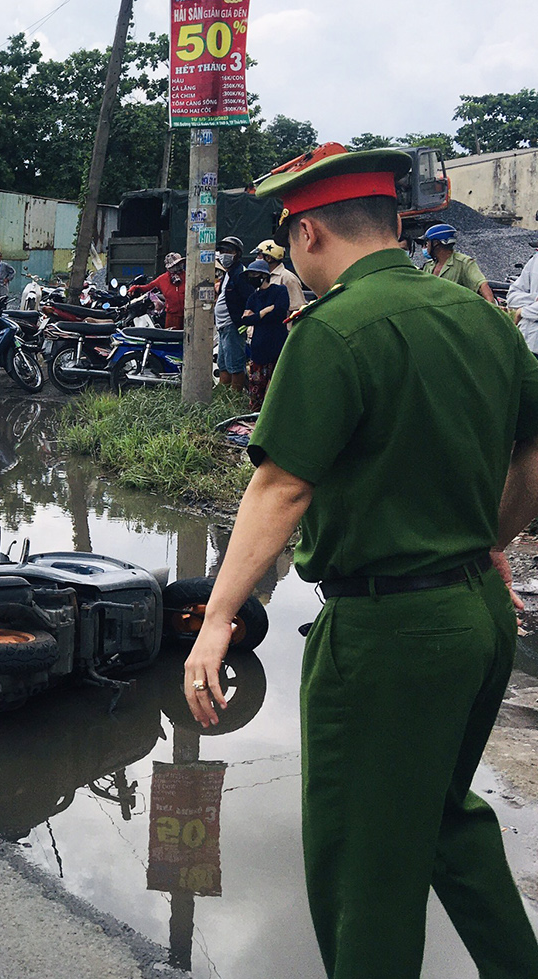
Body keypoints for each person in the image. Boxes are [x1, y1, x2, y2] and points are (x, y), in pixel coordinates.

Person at [182, 144, 538, 977]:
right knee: (445, 818)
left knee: (363, 858)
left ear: (307, 233)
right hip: (476, 617)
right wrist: (494, 543)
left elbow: (280, 491)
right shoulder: (482, 316)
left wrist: (218, 620)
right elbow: (532, 451)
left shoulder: (335, 329)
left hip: (389, 633)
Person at [240, 258, 289, 411]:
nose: (252, 278)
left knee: (277, 386)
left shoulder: (279, 291)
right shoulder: (253, 297)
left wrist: (257, 317)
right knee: (256, 388)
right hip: (259, 347)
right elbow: (246, 320)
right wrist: (264, 312)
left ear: (264, 275)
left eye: (255, 274)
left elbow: (280, 312)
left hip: (277, 345)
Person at [421, 223, 497, 302]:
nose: (426, 246)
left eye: (428, 242)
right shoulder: (428, 266)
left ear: (436, 243)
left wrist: (492, 307)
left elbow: (482, 285)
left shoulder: (464, 263)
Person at [213, 236, 251, 390]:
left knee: (235, 363)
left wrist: (242, 320)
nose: (224, 254)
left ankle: (235, 398)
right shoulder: (227, 274)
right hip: (222, 327)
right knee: (223, 363)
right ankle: (224, 396)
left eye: (228, 251)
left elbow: (249, 298)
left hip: (232, 326)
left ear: (238, 254)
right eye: (222, 251)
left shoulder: (241, 274)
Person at [132, 252, 186, 330]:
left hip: (187, 315)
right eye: (176, 265)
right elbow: (148, 287)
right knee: (171, 338)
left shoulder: (187, 276)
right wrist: (135, 287)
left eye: (180, 264)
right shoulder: (162, 279)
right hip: (172, 316)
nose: (179, 267)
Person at [254, 239, 306, 316]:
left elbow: (297, 309)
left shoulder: (288, 278)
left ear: (268, 258)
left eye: (259, 255)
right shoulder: (263, 276)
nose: (257, 258)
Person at [505, 246, 538, 354]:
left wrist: (522, 312)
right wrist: (534, 298)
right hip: (528, 341)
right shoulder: (535, 260)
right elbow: (512, 296)